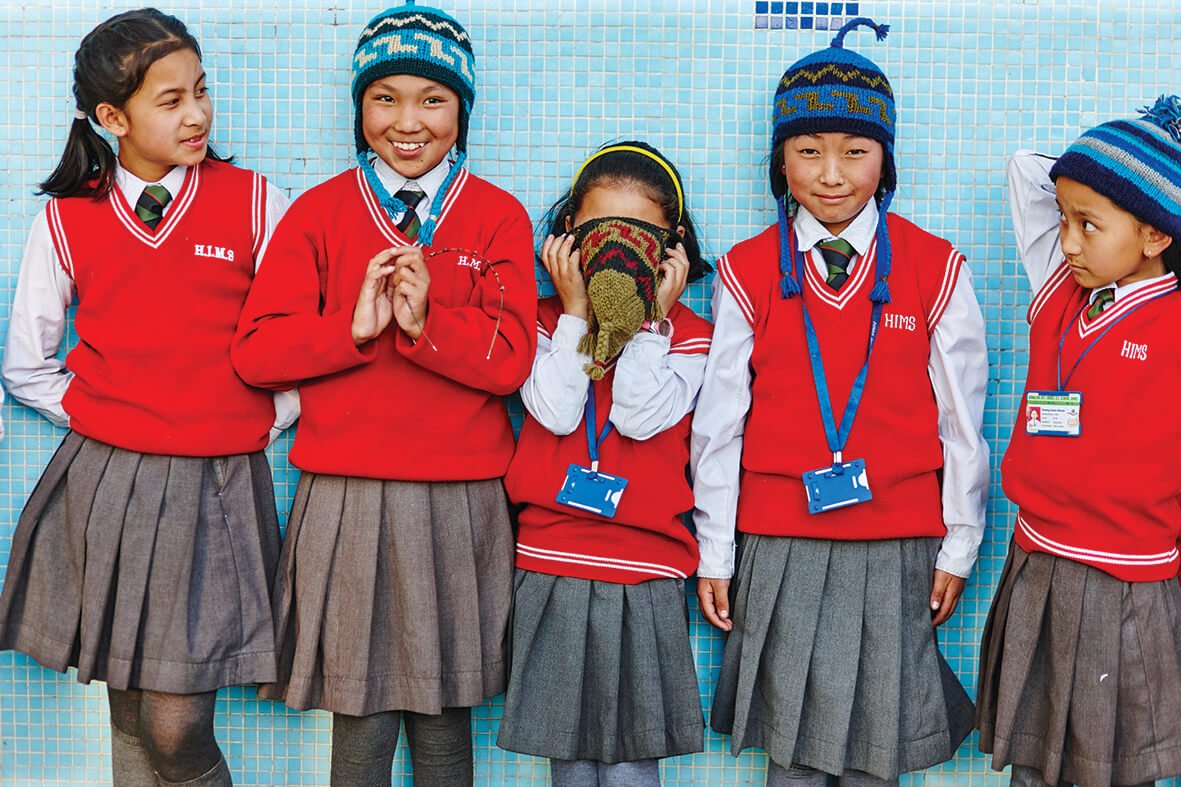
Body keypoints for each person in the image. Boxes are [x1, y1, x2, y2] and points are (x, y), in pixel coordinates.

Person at [230, 4, 536, 784]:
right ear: (359, 108)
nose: (408, 121)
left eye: (432, 99)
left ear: (462, 109)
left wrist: (430, 322)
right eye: (384, 97)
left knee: (443, 718)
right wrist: (353, 329)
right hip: (345, 497)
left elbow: (510, 363)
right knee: (358, 714)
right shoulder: (319, 214)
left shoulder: (497, 216)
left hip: (461, 499)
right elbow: (258, 353)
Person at [690, 17, 989, 786]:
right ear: (778, 161)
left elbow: (962, 421)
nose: (830, 173)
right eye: (807, 151)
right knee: (790, 747)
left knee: (875, 742)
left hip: (895, 544)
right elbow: (718, 427)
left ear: (884, 160)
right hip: (777, 541)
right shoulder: (747, 272)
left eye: (854, 151)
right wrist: (715, 550)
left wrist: (958, 541)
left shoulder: (934, 268)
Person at [0, 8, 295, 786]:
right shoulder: (66, 221)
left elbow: (300, 344)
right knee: (128, 715)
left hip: (218, 487)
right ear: (111, 117)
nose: (196, 113)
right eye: (170, 100)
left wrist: (263, 420)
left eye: (201, 91)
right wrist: (112, 418)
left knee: (174, 725)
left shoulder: (257, 201)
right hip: (109, 484)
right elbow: (28, 367)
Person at [978, 98, 1181, 787]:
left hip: (1131, 580)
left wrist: (1154, 176)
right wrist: (1106, 182)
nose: (1065, 240)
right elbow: (1024, 170)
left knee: (1119, 769)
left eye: (1087, 225)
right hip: (1038, 560)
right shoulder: (1058, 286)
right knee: (1033, 765)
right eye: (1061, 219)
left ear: (1155, 235)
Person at [496, 141, 713, 786]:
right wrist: (573, 314)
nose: (618, 253)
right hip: (552, 561)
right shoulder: (540, 326)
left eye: (640, 235)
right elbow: (558, 412)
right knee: (570, 762)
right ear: (569, 237)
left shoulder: (691, 335)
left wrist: (652, 321)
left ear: (672, 242)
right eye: (599, 234)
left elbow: (640, 416)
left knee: (629, 766)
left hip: (645, 571)